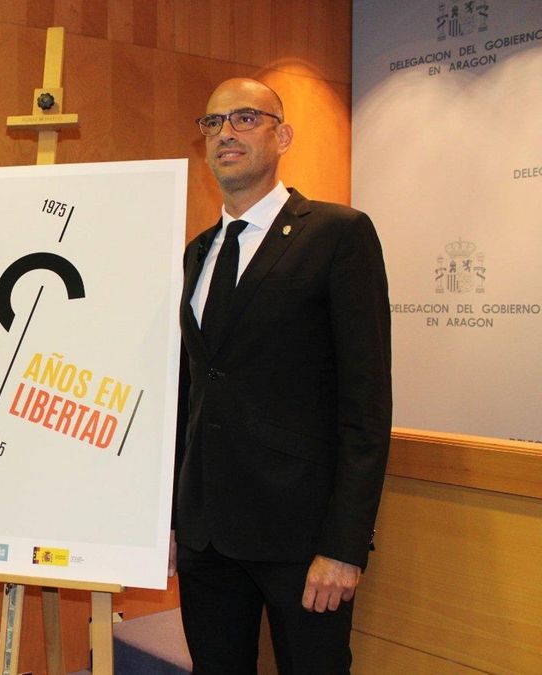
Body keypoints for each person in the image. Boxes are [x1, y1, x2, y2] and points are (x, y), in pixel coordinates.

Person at [172, 78, 392, 673]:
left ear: (283, 136)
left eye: (245, 118)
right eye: (213, 123)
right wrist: (171, 520)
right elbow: (191, 394)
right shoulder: (197, 252)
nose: (226, 134)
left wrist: (344, 546)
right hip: (205, 537)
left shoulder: (338, 235)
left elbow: (366, 406)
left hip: (303, 541)